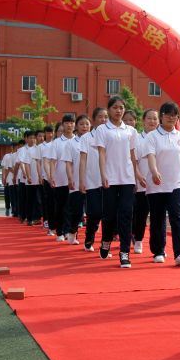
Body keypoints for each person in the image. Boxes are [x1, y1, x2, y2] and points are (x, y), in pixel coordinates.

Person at [94, 95, 146, 268]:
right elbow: (101, 154)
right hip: (110, 177)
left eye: (121, 108)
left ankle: (124, 253)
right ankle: (106, 240)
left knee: (126, 214)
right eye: (115, 107)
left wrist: (137, 175)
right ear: (109, 110)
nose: (118, 111)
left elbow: (133, 156)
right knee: (109, 215)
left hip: (127, 178)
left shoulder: (131, 131)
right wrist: (103, 175)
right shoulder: (102, 130)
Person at [144, 101, 180, 266]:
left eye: (174, 115)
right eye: (167, 114)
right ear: (162, 116)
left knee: (177, 214)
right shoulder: (152, 136)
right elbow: (150, 156)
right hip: (157, 183)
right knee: (158, 218)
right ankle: (158, 251)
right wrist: (154, 171)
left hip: (177, 182)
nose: (171, 118)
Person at [80, 107, 108, 253]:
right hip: (92, 182)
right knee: (94, 213)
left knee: (108, 215)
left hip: (109, 182)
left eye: (105, 117)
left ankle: (105, 245)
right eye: (100, 117)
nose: (103, 119)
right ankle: (89, 237)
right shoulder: (86, 138)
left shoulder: (111, 136)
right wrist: (82, 180)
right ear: (94, 120)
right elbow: (83, 161)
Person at [132, 109, 157, 255]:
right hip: (141, 183)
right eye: (149, 118)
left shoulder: (161, 137)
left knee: (157, 216)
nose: (152, 121)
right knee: (141, 214)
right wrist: (138, 176)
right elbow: (133, 160)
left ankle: (157, 246)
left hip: (158, 184)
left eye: (155, 119)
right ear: (143, 120)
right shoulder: (138, 139)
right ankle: (138, 239)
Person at [62, 114, 90, 244]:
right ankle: (72, 231)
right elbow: (68, 162)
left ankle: (90, 240)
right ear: (76, 127)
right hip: (77, 182)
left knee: (94, 212)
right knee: (77, 211)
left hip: (93, 182)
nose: (84, 126)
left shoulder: (95, 140)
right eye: (81, 124)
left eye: (87, 124)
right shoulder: (71, 143)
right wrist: (70, 178)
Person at [51, 116, 76, 241]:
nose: (70, 125)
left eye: (72, 123)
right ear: (63, 125)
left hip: (75, 180)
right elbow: (53, 161)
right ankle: (60, 231)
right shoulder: (57, 142)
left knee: (72, 207)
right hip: (60, 179)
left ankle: (69, 231)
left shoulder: (78, 141)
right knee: (61, 207)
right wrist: (51, 177)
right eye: (67, 123)